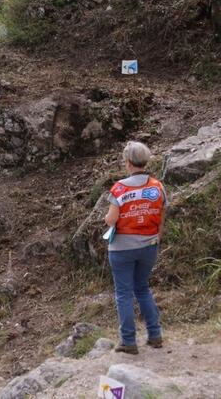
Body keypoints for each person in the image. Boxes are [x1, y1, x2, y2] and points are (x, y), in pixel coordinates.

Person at [104, 141, 166, 354]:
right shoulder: (157, 186)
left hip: (122, 248)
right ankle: (155, 335)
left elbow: (111, 219)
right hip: (149, 244)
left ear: (128, 162)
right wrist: (157, 238)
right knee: (142, 288)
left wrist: (107, 218)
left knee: (123, 293)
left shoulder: (119, 189)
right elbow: (161, 216)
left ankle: (128, 341)